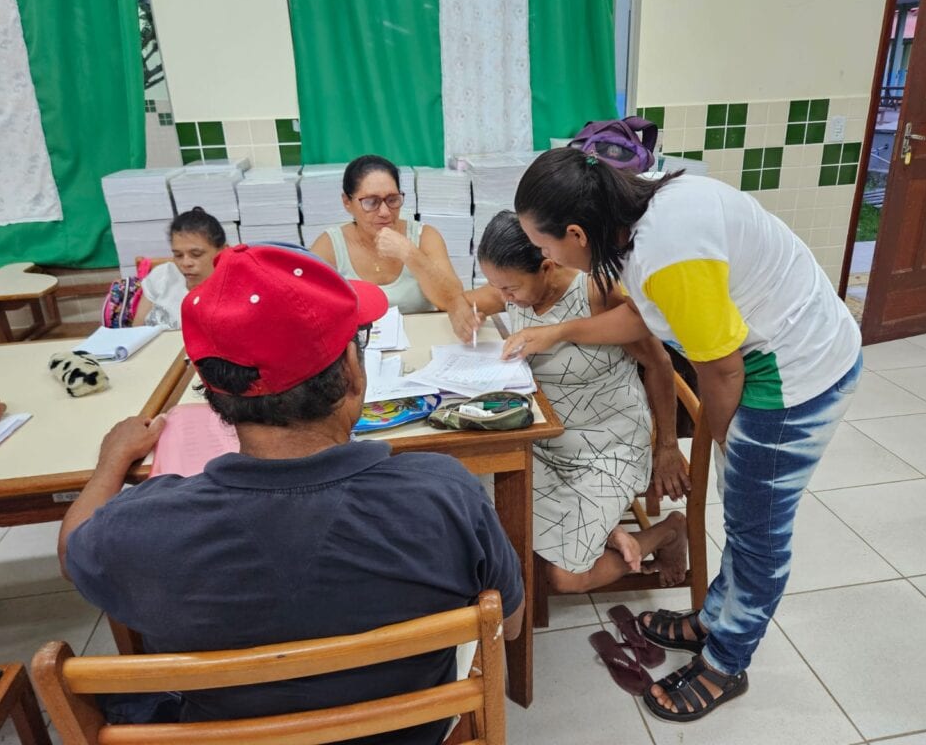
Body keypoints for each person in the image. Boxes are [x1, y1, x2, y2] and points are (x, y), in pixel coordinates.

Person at [58, 243, 524, 743]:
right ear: (351, 373)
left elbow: (72, 549)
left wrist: (112, 461)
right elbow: (510, 627)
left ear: (211, 389)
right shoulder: (444, 494)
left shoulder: (141, 531)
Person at [503, 148, 862, 723]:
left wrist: (721, 447)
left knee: (757, 532)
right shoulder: (637, 205)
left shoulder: (667, 252)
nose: (545, 257)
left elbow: (722, 371)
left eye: (545, 248)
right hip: (766, 349)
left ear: (574, 233)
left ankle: (726, 662)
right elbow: (648, 314)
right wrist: (561, 332)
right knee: (746, 519)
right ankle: (712, 619)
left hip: (794, 373)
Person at [466, 211, 689, 594]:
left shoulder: (596, 292)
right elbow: (473, 300)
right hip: (543, 439)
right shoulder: (515, 290)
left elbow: (660, 362)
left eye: (511, 289)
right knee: (473, 479)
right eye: (497, 287)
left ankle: (667, 533)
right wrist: (463, 311)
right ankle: (608, 531)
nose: (505, 298)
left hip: (610, 446)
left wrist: (666, 445)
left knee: (565, 578)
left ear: (548, 268)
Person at [310, 154, 475, 331]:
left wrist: (409, 253)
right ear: (347, 202)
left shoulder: (425, 236)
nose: (385, 212)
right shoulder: (329, 246)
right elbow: (311, 313)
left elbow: (454, 301)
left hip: (421, 340)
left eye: (392, 200)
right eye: (371, 202)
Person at [132, 206, 227, 329]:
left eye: (196, 254)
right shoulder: (162, 276)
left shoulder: (233, 290)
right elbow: (136, 330)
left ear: (223, 252)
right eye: (178, 255)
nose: (185, 263)